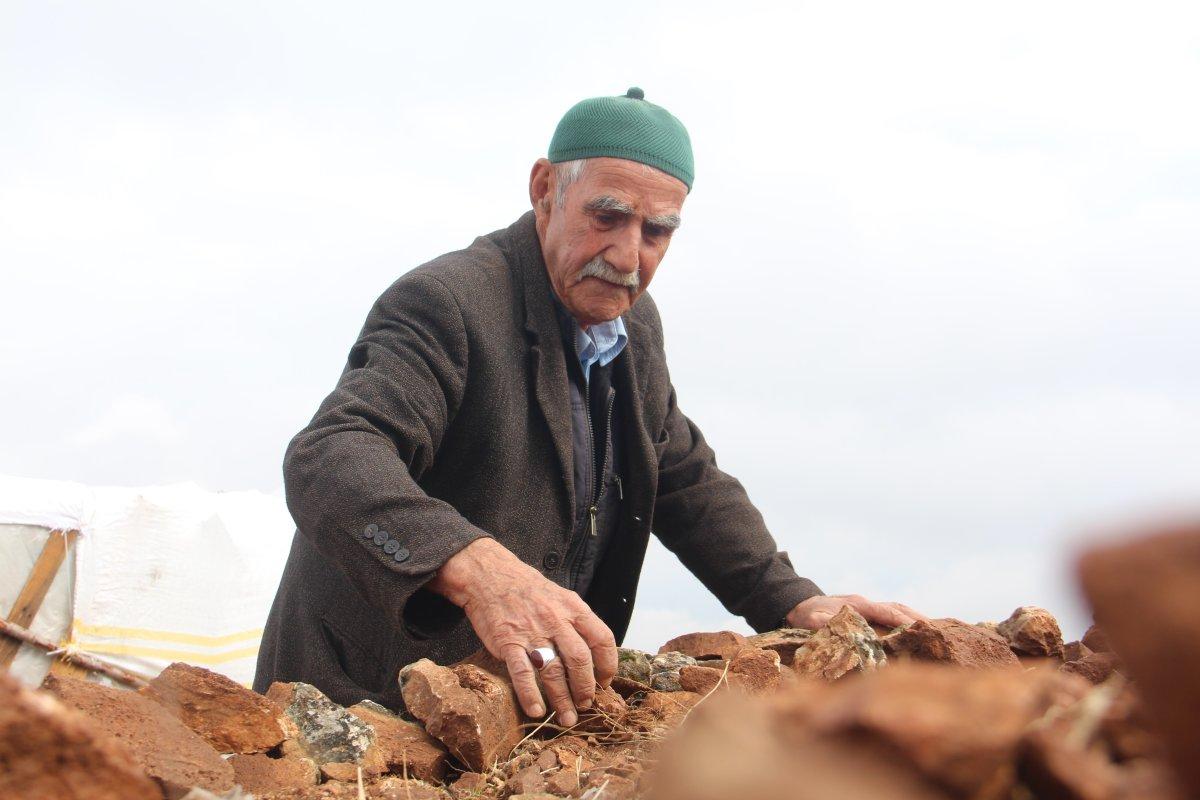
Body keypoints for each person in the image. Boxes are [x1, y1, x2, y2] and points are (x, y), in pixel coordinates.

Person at [254, 87, 925, 722]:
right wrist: (474, 566)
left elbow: (684, 480)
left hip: (517, 723)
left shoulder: (634, 330)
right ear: (545, 189)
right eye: (607, 217)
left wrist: (796, 601)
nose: (628, 256)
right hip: (363, 713)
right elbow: (331, 455)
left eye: (658, 232)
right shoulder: (450, 303)